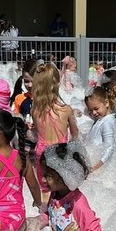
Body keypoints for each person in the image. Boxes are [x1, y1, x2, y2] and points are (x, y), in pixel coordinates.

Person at [40, 141, 103, 231]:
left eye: (48, 175)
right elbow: (52, 214)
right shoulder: (56, 194)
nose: (43, 179)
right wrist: (40, 220)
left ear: (64, 176)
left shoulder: (78, 203)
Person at [31, 62, 79, 197]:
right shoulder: (66, 110)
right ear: (57, 83)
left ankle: (45, 214)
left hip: (42, 154)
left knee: (46, 189)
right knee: (63, 187)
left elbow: (37, 132)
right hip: (60, 153)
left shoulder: (35, 110)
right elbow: (75, 134)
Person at [84, 87, 116, 172]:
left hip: (99, 167)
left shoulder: (107, 122)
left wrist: (96, 167)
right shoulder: (100, 120)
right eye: (90, 110)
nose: (94, 113)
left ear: (106, 103)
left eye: (96, 108)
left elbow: (110, 147)